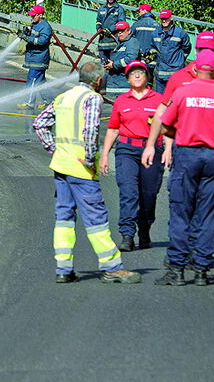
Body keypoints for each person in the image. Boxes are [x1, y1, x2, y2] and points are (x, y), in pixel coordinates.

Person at [33, 61, 141, 284]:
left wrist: (54, 148)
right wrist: (90, 157)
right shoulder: (92, 99)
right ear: (99, 81)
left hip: (61, 166)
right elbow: (90, 130)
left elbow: (40, 123)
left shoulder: (63, 97)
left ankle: (64, 268)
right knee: (96, 218)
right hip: (80, 168)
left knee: (64, 217)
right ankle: (112, 267)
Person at [142, 49, 214, 286]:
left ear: (195, 69)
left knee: (181, 209)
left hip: (187, 153)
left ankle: (176, 268)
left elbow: (165, 124)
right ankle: (202, 269)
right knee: (208, 212)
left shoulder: (184, 92)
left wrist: (182, 134)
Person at [99, 60, 165, 251]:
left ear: (147, 77)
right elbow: (112, 130)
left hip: (152, 151)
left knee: (149, 194)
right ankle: (127, 234)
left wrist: (168, 150)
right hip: (126, 150)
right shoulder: (121, 101)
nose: (137, 75)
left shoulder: (158, 100)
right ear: (127, 78)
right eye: (132, 73)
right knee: (128, 192)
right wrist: (105, 155)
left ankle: (145, 228)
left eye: (140, 72)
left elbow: (167, 128)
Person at [159, 31, 214, 170]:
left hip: (213, 150)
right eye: (202, 49)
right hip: (184, 149)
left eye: (211, 50)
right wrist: (167, 147)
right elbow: (166, 115)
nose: (206, 53)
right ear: (195, 50)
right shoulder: (179, 77)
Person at [18, 4, 53, 109]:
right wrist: (26, 32)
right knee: (41, 81)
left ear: (41, 15)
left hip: (39, 58)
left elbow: (43, 40)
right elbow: (33, 34)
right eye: (31, 15)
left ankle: (29, 102)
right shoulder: (34, 24)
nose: (32, 17)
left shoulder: (45, 27)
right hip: (33, 57)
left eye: (34, 15)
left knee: (32, 80)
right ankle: (49, 101)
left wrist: (28, 38)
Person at [152, 9, 191, 92]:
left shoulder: (180, 33)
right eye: (162, 18)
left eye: (166, 18)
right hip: (160, 74)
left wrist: (180, 59)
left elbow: (187, 48)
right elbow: (153, 47)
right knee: (160, 100)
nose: (164, 20)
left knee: (175, 100)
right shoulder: (155, 33)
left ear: (171, 18)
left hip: (175, 74)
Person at [103, 20, 140, 97]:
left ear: (129, 31)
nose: (119, 33)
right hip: (115, 83)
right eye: (118, 31)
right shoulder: (120, 43)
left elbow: (131, 59)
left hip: (124, 84)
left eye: (122, 30)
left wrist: (114, 64)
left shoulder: (132, 42)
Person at [95, 0, 124, 64]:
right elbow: (98, 21)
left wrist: (110, 30)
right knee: (103, 65)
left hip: (113, 43)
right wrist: (98, 29)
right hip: (102, 43)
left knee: (112, 65)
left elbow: (121, 24)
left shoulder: (119, 9)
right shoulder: (101, 8)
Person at [131, 3, 159, 75]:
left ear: (144, 11)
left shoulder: (137, 24)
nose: (139, 13)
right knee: (149, 80)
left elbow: (130, 38)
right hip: (152, 58)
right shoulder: (157, 25)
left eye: (139, 11)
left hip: (140, 57)